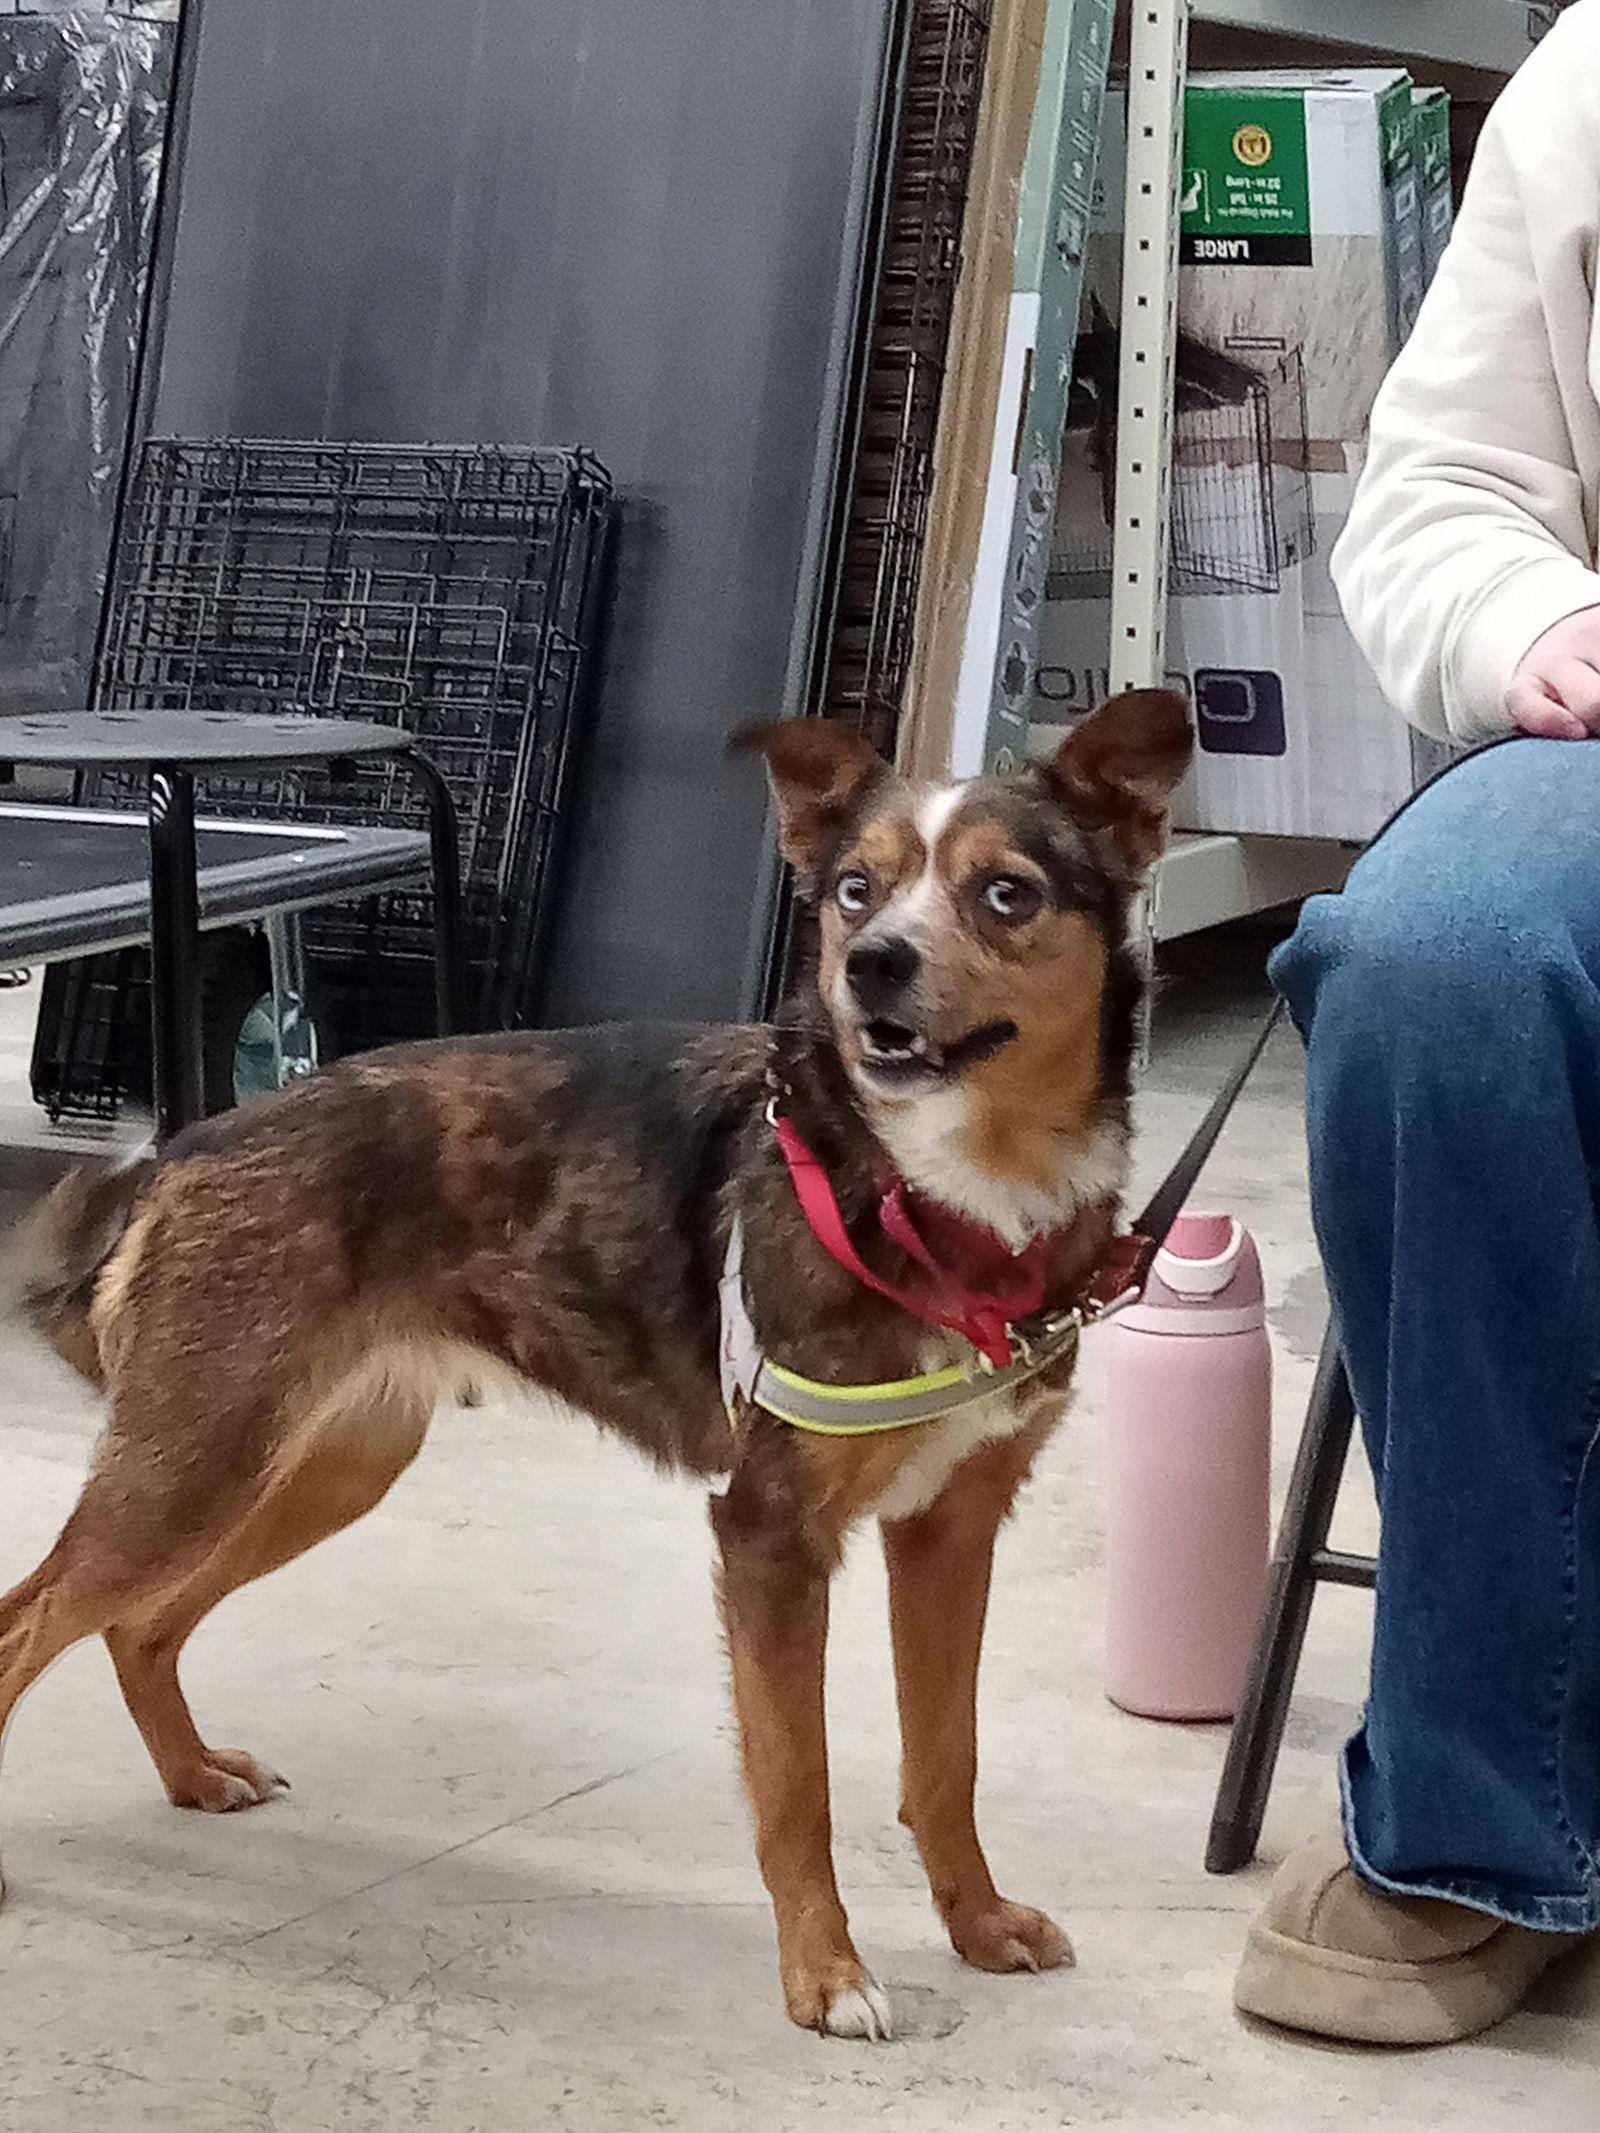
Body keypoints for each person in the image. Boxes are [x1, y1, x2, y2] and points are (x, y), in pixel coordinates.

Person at [1230, 0, 1600, 2047]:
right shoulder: (1588, 80)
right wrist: (1532, 619)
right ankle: (1480, 1809)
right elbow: (1436, 488)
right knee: (1433, 962)